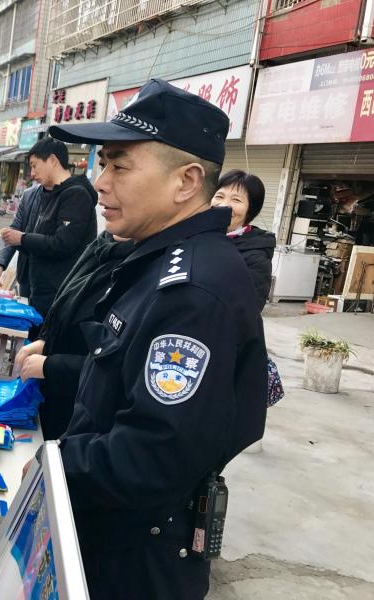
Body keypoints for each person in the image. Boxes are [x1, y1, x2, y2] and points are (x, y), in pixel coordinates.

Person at [44, 79, 268, 599]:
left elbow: (150, 457)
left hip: (132, 563)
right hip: (108, 536)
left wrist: (45, 469)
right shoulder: (153, 259)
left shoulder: (192, 290)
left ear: (186, 182)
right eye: (102, 164)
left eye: (119, 166)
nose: (100, 183)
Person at [15, 233, 134, 440]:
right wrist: (46, 342)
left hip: (86, 419)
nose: (106, 217)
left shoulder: (145, 268)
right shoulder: (103, 245)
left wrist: (52, 365)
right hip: (56, 395)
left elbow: (123, 368)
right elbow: (69, 306)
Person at [0, 137, 97, 323]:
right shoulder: (45, 193)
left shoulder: (75, 194)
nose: (32, 173)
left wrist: (22, 238)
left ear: (53, 160)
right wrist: (1, 263)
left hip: (57, 291)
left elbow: (62, 244)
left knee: (42, 334)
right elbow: (22, 231)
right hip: (35, 284)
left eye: (34, 165)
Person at [211, 169, 276, 310]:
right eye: (219, 196)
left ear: (251, 210)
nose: (224, 205)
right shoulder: (192, 237)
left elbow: (248, 310)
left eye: (236, 200)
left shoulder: (255, 257)